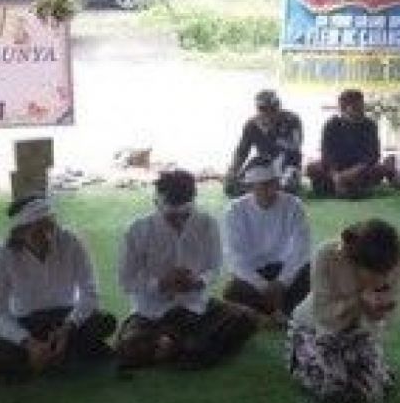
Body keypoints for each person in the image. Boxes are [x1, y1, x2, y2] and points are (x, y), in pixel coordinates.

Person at [116, 169, 257, 370]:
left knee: (248, 319)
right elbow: (126, 280)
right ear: (157, 204)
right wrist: (161, 283)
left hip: (195, 306)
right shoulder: (137, 230)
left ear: (193, 204)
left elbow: (215, 267)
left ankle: (173, 345)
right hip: (152, 312)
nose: (180, 222)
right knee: (127, 349)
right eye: (173, 216)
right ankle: (188, 346)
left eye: (185, 215)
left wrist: (198, 282)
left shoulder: (207, 224)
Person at [0, 195, 118, 379]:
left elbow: (90, 293)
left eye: (50, 227)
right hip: (25, 323)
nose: (48, 236)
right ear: (19, 233)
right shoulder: (1, 255)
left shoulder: (70, 241)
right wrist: (28, 343)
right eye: (38, 231)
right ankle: (55, 355)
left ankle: (44, 358)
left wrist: (67, 328)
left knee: (105, 321)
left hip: (67, 318)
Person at [288, 218, 400, 403]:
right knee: (332, 386)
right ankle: (300, 357)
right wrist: (358, 301)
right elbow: (323, 315)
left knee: (373, 391)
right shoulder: (327, 255)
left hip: (357, 332)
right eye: (376, 273)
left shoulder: (398, 260)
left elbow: (385, 320)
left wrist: (378, 310)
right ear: (354, 260)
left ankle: (357, 366)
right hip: (315, 328)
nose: (383, 279)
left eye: (385, 273)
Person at [222, 159, 313, 326]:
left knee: (314, 276)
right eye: (264, 185)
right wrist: (262, 285)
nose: (271, 190)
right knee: (232, 292)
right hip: (255, 273)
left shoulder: (293, 205)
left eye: (274, 183)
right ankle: (283, 312)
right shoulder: (235, 210)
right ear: (251, 187)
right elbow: (234, 257)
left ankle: (270, 313)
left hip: (286, 271)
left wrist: (282, 282)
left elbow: (301, 249)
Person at [305, 89, 389, 200]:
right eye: (356, 106)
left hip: (359, 169)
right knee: (311, 168)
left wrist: (349, 174)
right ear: (344, 108)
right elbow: (327, 155)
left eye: (361, 105)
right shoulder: (331, 125)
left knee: (382, 169)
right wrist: (336, 176)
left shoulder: (369, 125)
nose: (361, 109)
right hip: (336, 169)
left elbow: (372, 156)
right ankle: (346, 188)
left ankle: (343, 188)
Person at [224, 90, 304, 198]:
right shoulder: (252, 124)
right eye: (263, 109)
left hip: (288, 163)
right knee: (230, 187)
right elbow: (242, 151)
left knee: (288, 187)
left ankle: (268, 188)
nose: (268, 112)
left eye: (272, 108)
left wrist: (271, 133)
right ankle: (264, 188)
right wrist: (233, 170)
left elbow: (295, 147)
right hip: (264, 163)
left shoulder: (293, 120)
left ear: (278, 106)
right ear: (258, 109)